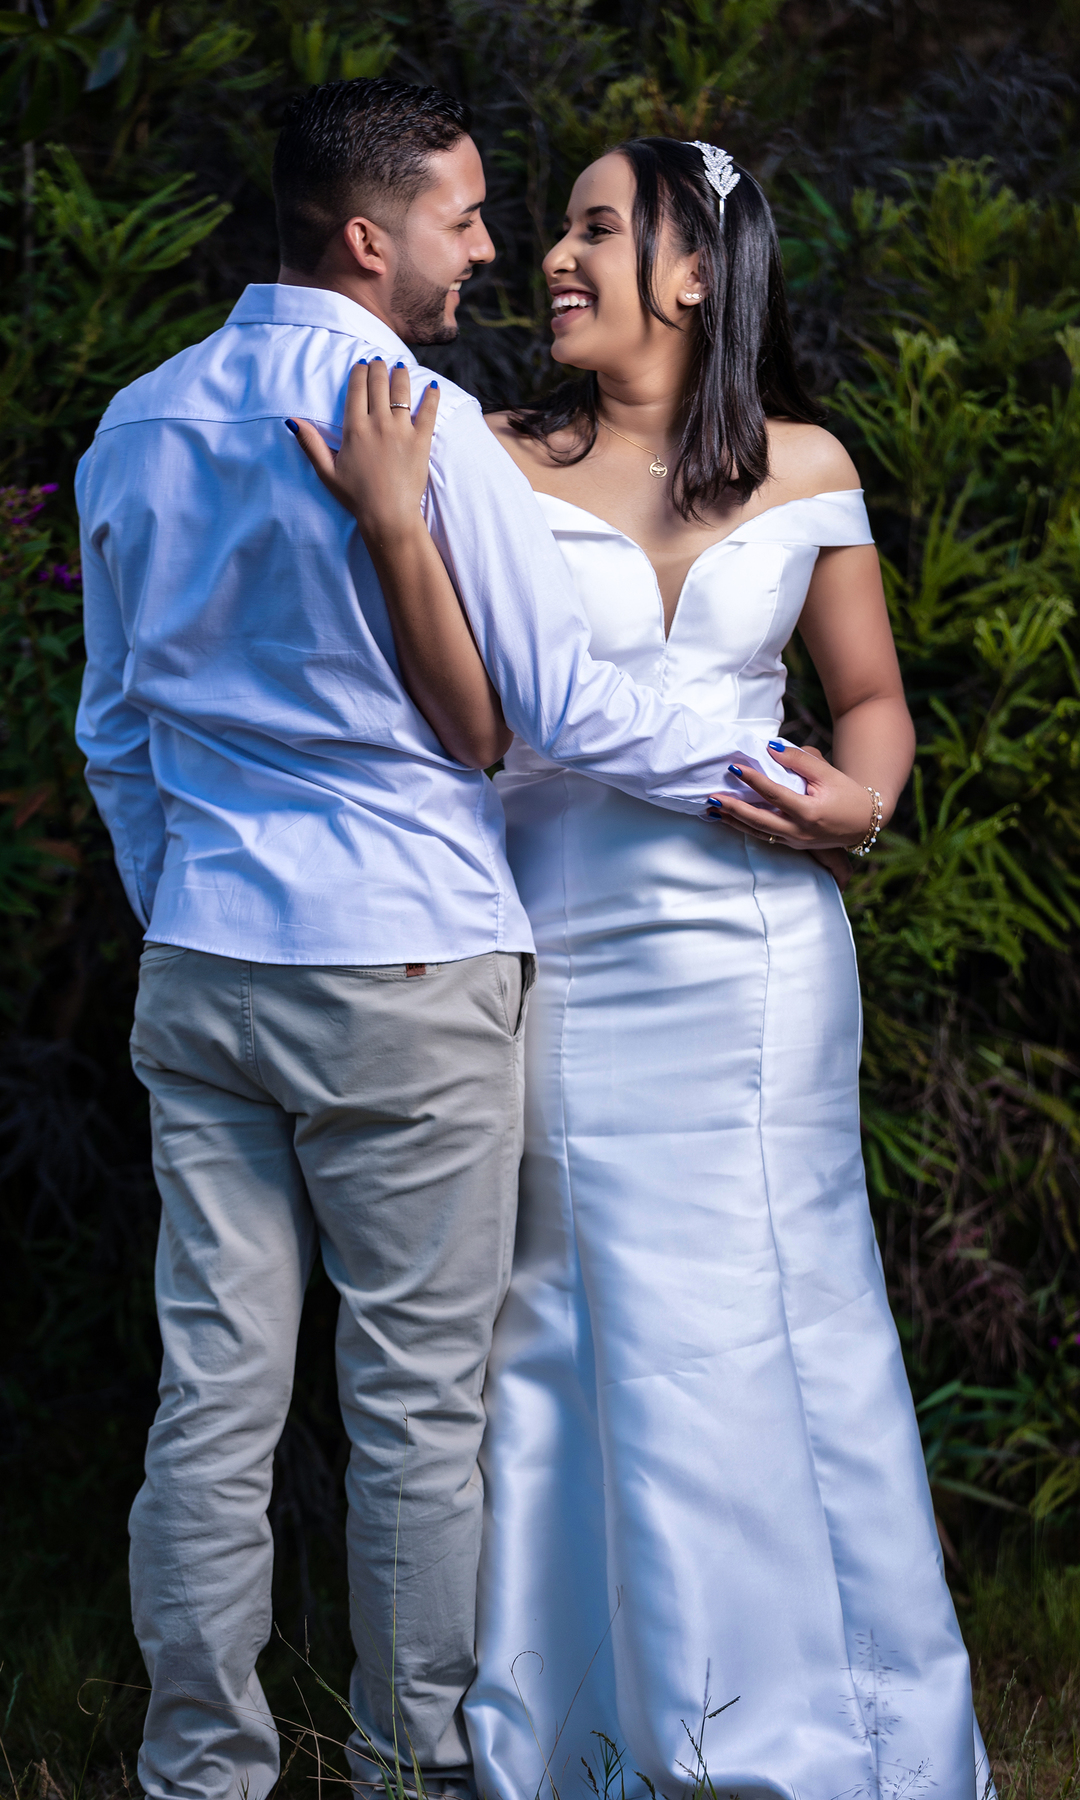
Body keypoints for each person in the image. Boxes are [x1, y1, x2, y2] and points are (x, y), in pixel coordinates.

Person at [74, 83, 816, 1800]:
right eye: (463, 217)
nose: (488, 248)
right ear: (369, 236)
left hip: (207, 965)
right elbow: (562, 706)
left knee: (211, 1401)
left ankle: (200, 1774)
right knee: (415, 1411)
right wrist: (782, 780)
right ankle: (407, 1773)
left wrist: (184, 903)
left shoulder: (138, 422)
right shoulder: (422, 421)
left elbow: (114, 729)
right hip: (405, 963)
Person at [294, 139, 991, 1799]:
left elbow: (872, 701)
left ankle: (843, 1727)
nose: (554, 255)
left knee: (788, 1316)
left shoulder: (807, 466)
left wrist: (865, 801)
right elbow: (473, 721)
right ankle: (599, 1734)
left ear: (694, 273)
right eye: (555, 227)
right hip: (566, 952)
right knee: (572, 1326)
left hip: (766, 962)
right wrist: (394, 528)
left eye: (597, 228)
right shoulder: (486, 456)